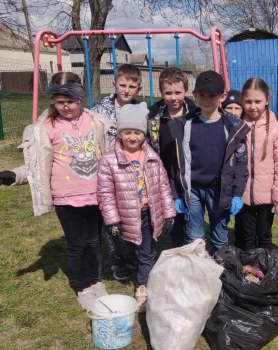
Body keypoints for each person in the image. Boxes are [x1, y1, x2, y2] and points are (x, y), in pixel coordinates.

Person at [0, 72, 116, 310]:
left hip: (96, 193)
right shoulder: (45, 127)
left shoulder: (97, 121)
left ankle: (96, 281)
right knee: (77, 243)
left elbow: (112, 155)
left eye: (71, 100)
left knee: (94, 241)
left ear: (80, 97)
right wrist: (15, 176)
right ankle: (82, 286)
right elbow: (36, 166)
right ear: (52, 100)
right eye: (59, 101)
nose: (66, 106)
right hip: (66, 196)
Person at [97, 104, 176, 313]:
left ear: (145, 133)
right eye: (127, 132)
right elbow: (105, 193)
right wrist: (112, 220)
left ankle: (143, 286)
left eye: (138, 132)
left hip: (147, 214)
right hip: (124, 216)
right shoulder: (109, 160)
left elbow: (163, 186)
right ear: (120, 133)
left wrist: (168, 213)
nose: (132, 137)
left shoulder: (152, 157)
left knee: (147, 252)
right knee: (131, 246)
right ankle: (131, 265)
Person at [169, 70, 249, 251]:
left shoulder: (233, 128)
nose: (206, 100)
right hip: (193, 190)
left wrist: (236, 193)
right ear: (195, 95)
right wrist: (177, 193)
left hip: (220, 189)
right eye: (202, 95)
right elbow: (178, 164)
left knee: (220, 237)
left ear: (222, 96)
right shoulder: (185, 126)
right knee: (194, 237)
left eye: (211, 95)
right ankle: (197, 274)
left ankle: (222, 272)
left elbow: (240, 164)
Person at [92, 63, 143, 281]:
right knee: (111, 220)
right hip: (106, 171)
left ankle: (133, 256)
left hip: (131, 172)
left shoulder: (141, 110)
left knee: (132, 216)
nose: (126, 90)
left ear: (138, 89)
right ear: (114, 84)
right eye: (122, 85)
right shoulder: (99, 111)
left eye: (132, 86)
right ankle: (117, 260)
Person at [234, 78, 278, 251]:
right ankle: (249, 269)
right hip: (242, 194)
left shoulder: (277, 129)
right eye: (248, 101)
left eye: (258, 101)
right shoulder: (236, 126)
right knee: (246, 235)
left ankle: (265, 267)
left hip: (267, 196)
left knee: (265, 236)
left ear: (267, 100)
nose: (253, 106)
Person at [147, 67, 197, 248]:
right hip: (165, 174)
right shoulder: (152, 115)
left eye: (178, 92)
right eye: (168, 93)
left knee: (192, 214)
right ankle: (178, 248)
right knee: (173, 215)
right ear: (161, 92)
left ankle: (192, 246)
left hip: (190, 173)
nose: (173, 97)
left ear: (186, 91)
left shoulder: (195, 113)